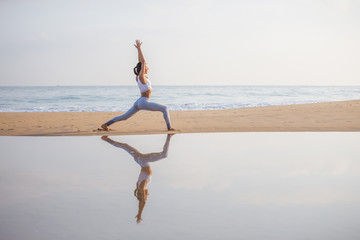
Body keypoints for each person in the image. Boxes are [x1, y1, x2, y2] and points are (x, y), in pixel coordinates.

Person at [101, 40, 175, 131]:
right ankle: (169, 128)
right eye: (146, 67)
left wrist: (138, 50)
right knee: (164, 108)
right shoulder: (141, 77)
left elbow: (140, 62)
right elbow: (143, 62)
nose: (147, 68)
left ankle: (106, 124)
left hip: (139, 102)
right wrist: (140, 48)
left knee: (124, 117)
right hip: (143, 102)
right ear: (143, 69)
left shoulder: (139, 77)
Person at [101, 134, 173, 223]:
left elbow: (142, 201)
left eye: (146, 197)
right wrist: (139, 195)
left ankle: (169, 136)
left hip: (143, 160)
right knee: (125, 146)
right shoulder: (138, 186)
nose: (147, 196)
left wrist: (140, 213)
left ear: (142, 195)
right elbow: (140, 198)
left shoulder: (142, 187)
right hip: (138, 160)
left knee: (164, 155)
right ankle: (106, 139)